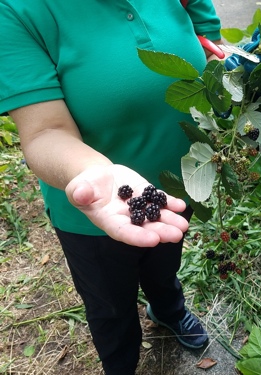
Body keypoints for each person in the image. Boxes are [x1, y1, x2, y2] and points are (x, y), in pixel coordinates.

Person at [0, 0, 225, 374]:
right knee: (109, 304)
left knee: (165, 263)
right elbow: (43, 132)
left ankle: (169, 310)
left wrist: (215, 59)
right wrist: (95, 173)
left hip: (173, 188)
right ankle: (121, 363)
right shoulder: (16, 10)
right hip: (96, 210)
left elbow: (201, 16)